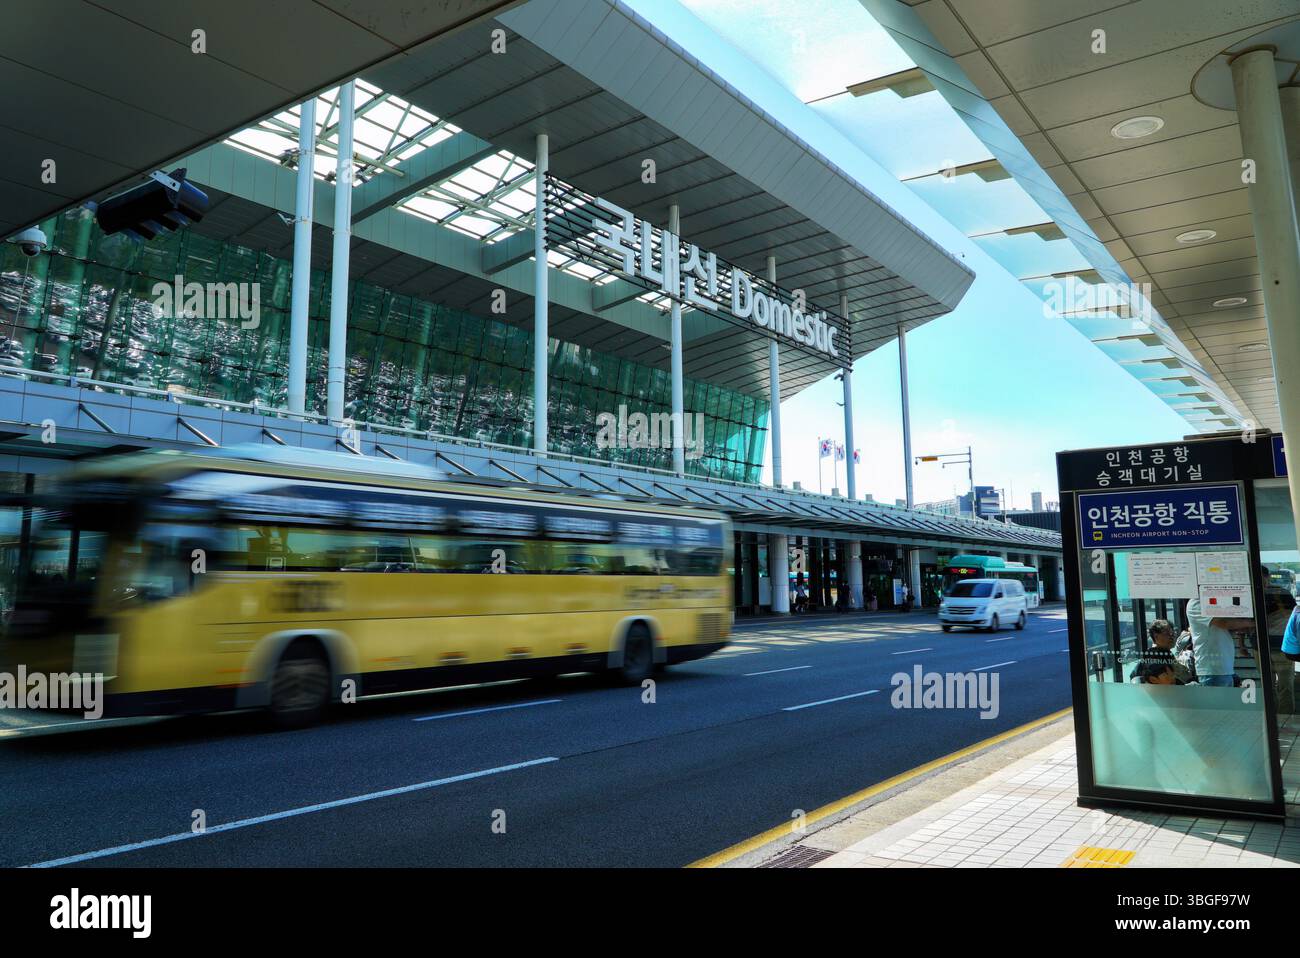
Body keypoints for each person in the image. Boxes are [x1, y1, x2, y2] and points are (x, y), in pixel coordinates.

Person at [1184, 596, 1250, 687]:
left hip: (1224, 667)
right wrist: (1254, 623)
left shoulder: (1212, 600)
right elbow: (1224, 623)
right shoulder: (1196, 603)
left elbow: (1225, 627)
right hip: (1212, 669)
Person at [1134, 618, 1192, 684]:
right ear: (1156, 637)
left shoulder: (1166, 653)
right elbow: (1168, 682)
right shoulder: (1154, 657)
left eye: (1172, 633)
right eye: (1167, 634)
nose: (1171, 637)